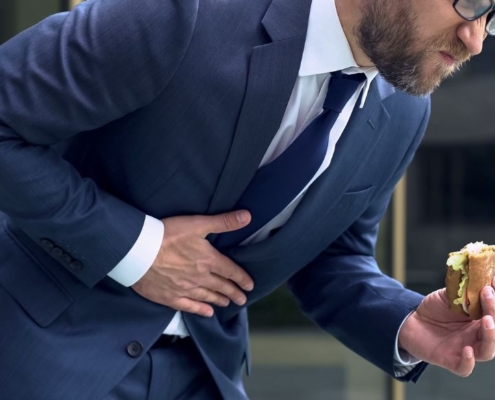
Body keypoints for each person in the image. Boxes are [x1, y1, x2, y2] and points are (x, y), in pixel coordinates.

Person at [0, 0, 494, 398]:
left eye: (492, 16)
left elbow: (332, 258)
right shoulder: (184, 13)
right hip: (38, 353)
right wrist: (136, 249)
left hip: (207, 373)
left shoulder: (406, 113)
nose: (476, 38)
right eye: (471, 3)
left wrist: (406, 322)